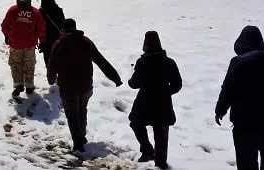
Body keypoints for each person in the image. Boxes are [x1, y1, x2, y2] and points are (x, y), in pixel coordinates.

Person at [215, 26, 264, 170]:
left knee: (246, 162)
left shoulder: (238, 62)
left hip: (245, 122)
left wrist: (220, 110)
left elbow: (228, 89)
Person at [47, 19, 123, 153]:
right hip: (85, 86)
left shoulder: (59, 44)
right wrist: (115, 78)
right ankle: (81, 137)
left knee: (72, 115)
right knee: (81, 111)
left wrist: (51, 79)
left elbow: (52, 65)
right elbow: (101, 61)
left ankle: (78, 143)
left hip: (68, 87)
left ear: (63, 30)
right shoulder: (85, 42)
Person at [128, 31, 182, 170]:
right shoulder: (169, 62)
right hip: (163, 104)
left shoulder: (142, 62)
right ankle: (161, 164)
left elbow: (134, 83)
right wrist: (165, 92)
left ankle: (147, 150)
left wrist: (131, 81)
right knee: (161, 135)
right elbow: (177, 84)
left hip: (144, 102)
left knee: (136, 123)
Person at [1, 0, 46, 99]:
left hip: (15, 43)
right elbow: (41, 28)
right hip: (30, 44)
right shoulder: (35, 12)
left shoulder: (13, 10)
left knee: (15, 64)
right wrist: (42, 40)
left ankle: (18, 84)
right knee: (29, 64)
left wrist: (7, 36)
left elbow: (4, 26)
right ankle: (29, 85)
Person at [38, 0, 65, 66]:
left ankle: (51, 77)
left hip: (46, 42)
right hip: (58, 40)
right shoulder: (59, 10)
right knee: (59, 62)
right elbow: (63, 25)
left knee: (49, 64)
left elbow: (38, 27)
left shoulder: (40, 12)